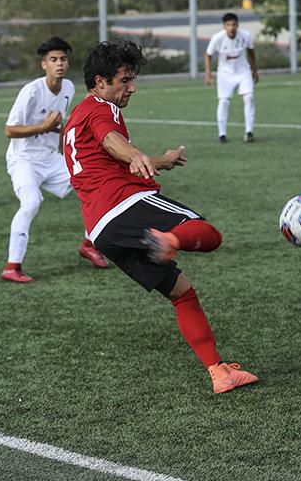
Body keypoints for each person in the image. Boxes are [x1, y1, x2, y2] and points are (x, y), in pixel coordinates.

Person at [63, 40, 258, 394]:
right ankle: (168, 240)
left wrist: (157, 161)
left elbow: (103, 153)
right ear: (100, 82)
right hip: (123, 203)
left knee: (182, 294)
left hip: (102, 230)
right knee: (209, 234)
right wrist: (135, 154)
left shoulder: (78, 116)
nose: (132, 87)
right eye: (124, 80)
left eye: (132, 78)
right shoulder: (98, 108)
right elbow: (110, 142)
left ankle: (219, 372)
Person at [1, 37, 109, 283]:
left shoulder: (69, 88)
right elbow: (9, 130)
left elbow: (61, 127)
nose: (59, 63)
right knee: (30, 203)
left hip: (52, 158)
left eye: (62, 59)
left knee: (96, 185)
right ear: (44, 65)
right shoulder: (31, 91)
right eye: (53, 60)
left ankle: (89, 244)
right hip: (24, 159)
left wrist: (65, 151)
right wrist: (43, 126)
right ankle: (12, 266)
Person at [204, 12, 259, 144]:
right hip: (224, 74)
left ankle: (249, 132)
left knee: (249, 97)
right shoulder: (217, 38)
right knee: (223, 101)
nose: (231, 27)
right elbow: (208, 54)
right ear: (224, 26)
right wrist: (208, 73)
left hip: (243, 71)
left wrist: (255, 70)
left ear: (238, 25)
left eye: (234, 24)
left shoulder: (245, 35)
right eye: (228, 25)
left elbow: (251, 51)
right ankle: (222, 133)